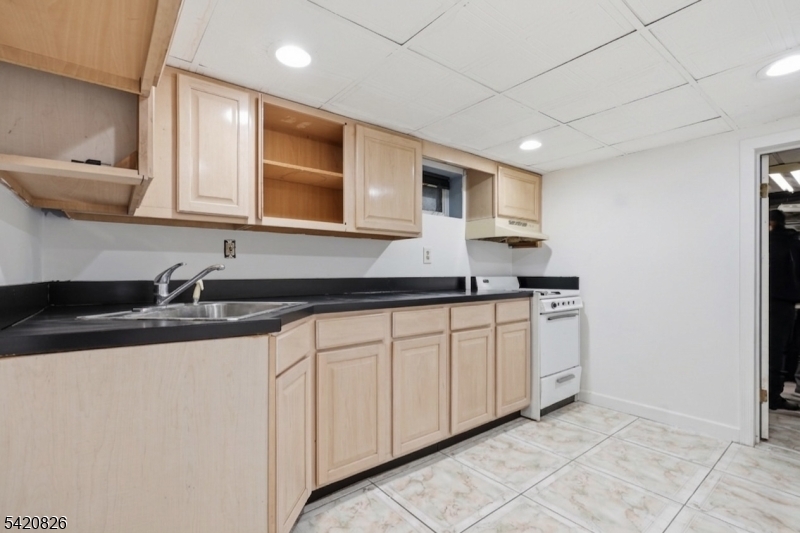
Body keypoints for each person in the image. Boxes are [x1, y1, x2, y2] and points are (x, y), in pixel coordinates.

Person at [769, 209, 800, 411]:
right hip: (786, 304)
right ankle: (773, 396)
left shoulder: (763, 242)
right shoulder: (793, 242)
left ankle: (766, 395)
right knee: (777, 350)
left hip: (762, 300)